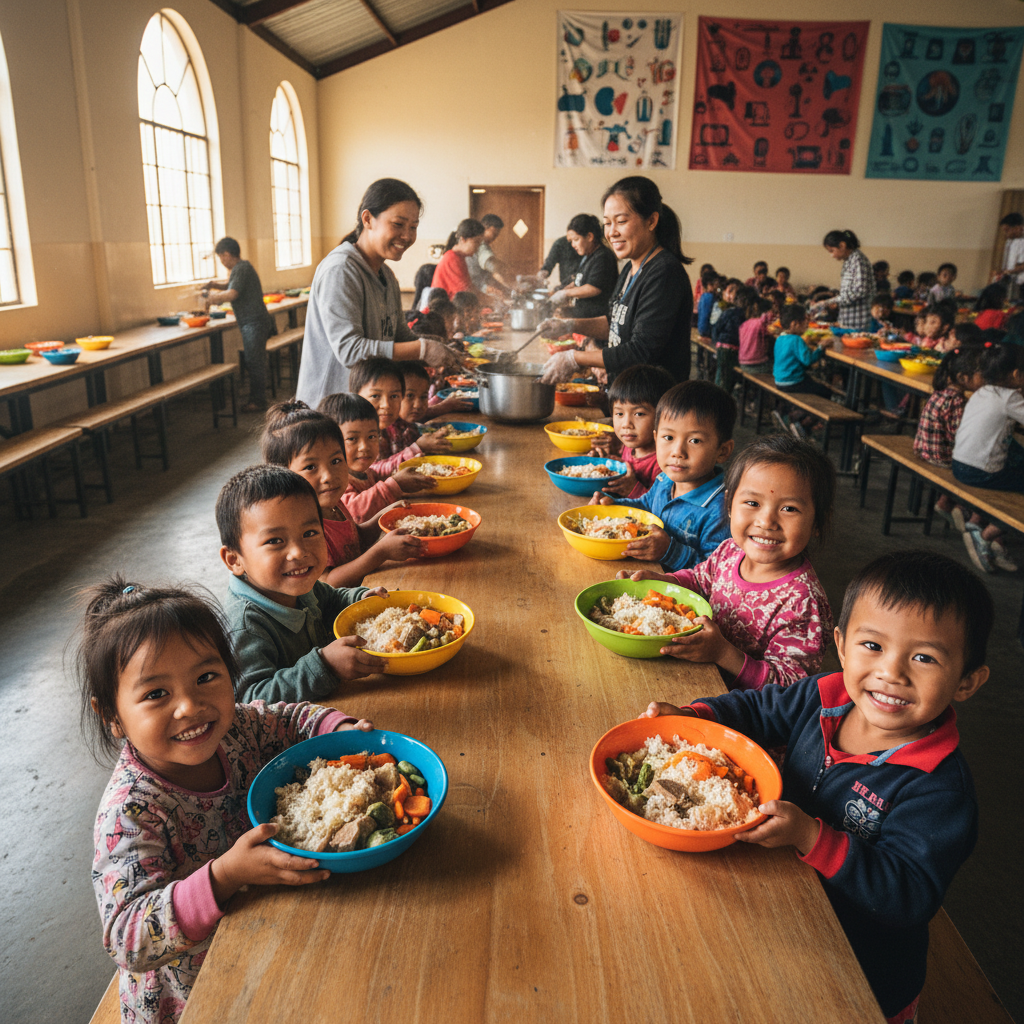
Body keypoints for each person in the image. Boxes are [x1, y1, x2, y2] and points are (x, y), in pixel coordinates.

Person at [640, 549, 992, 1024]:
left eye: (924, 657)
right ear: (842, 645)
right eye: (873, 646)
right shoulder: (827, 694)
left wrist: (812, 837)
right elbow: (758, 711)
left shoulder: (939, 790)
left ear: (967, 682)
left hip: (862, 968)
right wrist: (696, 716)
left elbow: (907, 895)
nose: (891, 672)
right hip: (781, 907)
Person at [85, 576, 374, 1024]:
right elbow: (128, 937)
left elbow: (292, 716)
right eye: (156, 693)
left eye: (206, 677)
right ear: (113, 717)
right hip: (196, 990)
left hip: (269, 930)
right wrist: (224, 875)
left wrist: (337, 730)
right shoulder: (130, 811)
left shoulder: (237, 726)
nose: (190, 706)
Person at [618, 435, 835, 690]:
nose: (766, 521)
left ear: (817, 522)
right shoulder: (731, 550)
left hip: (732, 708)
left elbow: (788, 689)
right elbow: (700, 580)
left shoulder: (803, 602)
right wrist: (664, 582)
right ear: (730, 504)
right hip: (690, 674)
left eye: (789, 509)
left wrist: (722, 654)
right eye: (752, 503)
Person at [217, 464, 398, 702]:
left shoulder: (297, 583)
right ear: (234, 560)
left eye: (310, 533)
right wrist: (324, 666)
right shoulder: (245, 625)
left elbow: (330, 599)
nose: (298, 552)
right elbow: (251, 700)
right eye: (275, 541)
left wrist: (360, 599)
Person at [295, 179, 453, 408]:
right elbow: (351, 351)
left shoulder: (386, 275)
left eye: (413, 227)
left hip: (363, 408)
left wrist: (440, 348)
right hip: (331, 411)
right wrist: (424, 349)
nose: (407, 236)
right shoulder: (341, 270)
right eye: (398, 224)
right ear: (367, 219)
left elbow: (398, 335)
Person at [538, 176, 694, 385]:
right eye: (607, 223)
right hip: (623, 392)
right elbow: (614, 324)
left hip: (650, 401)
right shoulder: (630, 268)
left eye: (621, 221)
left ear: (651, 221)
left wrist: (575, 358)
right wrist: (569, 325)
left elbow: (641, 351)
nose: (612, 232)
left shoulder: (664, 273)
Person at [260, 403, 424, 586]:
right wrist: (381, 552)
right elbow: (328, 581)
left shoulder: (334, 504)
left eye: (336, 461)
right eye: (310, 467)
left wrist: (384, 516)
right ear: (283, 474)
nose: (328, 476)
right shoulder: (303, 528)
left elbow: (354, 539)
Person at [590, 380, 734, 572]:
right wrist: (614, 507)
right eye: (668, 438)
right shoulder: (665, 480)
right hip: (640, 572)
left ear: (722, 451)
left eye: (694, 440)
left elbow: (717, 574)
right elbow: (645, 506)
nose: (677, 452)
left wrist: (669, 551)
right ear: (656, 437)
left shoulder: (720, 511)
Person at [319, 392, 436, 521]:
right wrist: (394, 485)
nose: (364, 446)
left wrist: (407, 465)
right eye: (352, 438)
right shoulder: (335, 482)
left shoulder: (363, 472)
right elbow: (354, 513)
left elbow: (377, 472)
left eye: (371, 437)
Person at [202, 237, 277, 413]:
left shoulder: (241, 269)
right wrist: (214, 285)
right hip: (254, 321)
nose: (221, 262)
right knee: (254, 359)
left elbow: (233, 293)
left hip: (254, 322)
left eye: (221, 257)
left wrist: (211, 298)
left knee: (254, 361)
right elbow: (231, 285)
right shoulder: (241, 268)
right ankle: (257, 397)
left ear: (227, 254)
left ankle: (258, 401)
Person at [349, 356, 451, 475]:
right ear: (355, 397)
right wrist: (417, 448)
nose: (386, 405)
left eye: (394, 396)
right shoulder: (355, 437)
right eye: (375, 396)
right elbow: (371, 472)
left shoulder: (401, 426)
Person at [588, 363, 675, 499]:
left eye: (639, 414)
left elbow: (662, 506)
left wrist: (633, 490)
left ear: (664, 416)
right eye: (619, 414)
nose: (626, 424)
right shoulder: (630, 446)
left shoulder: (664, 463)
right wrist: (606, 465)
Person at [951, 340, 1024, 495]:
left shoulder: (981, 392)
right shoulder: (1009, 397)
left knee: (1015, 452)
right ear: (1017, 374)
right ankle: (984, 520)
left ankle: (963, 510)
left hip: (958, 465)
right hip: (982, 473)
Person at [548, 214, 619, 320]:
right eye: (571, 241)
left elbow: (593, 288)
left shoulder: (603, 257)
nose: (573, 245)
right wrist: (561, 290)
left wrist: (565, 293)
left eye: (576, 239)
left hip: (597, 322)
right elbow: (580, 281)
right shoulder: (588, 257)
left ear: (590, 237)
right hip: (585, 318)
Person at [822, 229, 873, 330]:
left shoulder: (858, 260)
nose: (831, 255)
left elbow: (860, 290)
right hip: (849, 320)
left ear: (842, 245)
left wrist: (835, 301)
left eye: (832, 251)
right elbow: (849, 292)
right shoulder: (849, 261)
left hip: (858, 322)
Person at [713, 284, 757, 393]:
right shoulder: (746, 317)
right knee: (727, 378)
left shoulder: (728, 312)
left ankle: (717, 397)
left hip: (722, 347)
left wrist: (716, 341)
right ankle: (720, 399)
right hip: (734, 350)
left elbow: (716, 328)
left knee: (722, 376)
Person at [431, 219, 487, 299]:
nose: (478, 247)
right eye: (476, 242)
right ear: (463, 239)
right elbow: (464, 293)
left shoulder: (459, 257)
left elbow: (468, 287)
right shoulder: (451, 258)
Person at [467, 214, 511, 292]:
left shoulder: (480, 243)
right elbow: (492, 265)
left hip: (478, 285)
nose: (495, 237)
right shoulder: (481, 245)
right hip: (476, 287)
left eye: (496, 235)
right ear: (485, 228)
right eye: (493, 234)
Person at [738, 295, 775, 376]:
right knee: (776, 366)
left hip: (742, 363)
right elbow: (772, 333)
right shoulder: (761, 324)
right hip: (757, 364)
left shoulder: (745, 323)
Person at [993, 211, 1024, 302]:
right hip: (1012, 281)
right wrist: (1002, 273)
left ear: (1017, 228)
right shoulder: (1010, 241)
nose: (1005, 234)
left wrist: (1008, 271)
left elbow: (1022, 266)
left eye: (1007, 230)